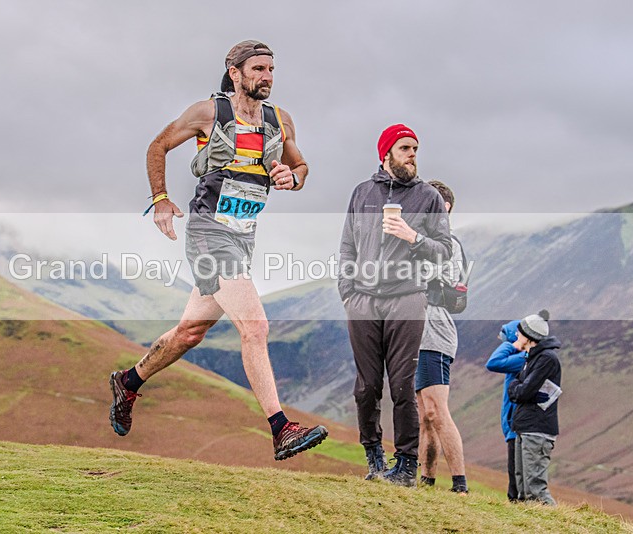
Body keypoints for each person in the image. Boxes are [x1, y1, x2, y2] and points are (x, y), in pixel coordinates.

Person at [108, 40, 328, 461]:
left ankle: (128, 382)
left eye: (271, 69)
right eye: (259, 69)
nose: (267, 76)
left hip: (243, 235)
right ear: (235, 71)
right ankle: (281, 429)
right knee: (255, 327)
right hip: (209, 232)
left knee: (191, 332)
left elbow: (301, 168)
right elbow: (157, 146)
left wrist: (289, 176)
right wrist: (160, 200)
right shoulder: (209, 113)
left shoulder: (280, 121)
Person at [339, 124, 453, 486]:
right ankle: (374, 456)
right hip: (363, 301)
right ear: (385, 153)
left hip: (407, 298)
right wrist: (348, 291)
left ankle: (405, 466)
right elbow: (347, 246)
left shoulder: (428, 199)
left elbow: (445, 251)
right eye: (405, 148)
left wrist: (413, 236)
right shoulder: (362, 193)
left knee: (403, 385)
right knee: (367, 386)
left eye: (415, 148)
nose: (413, 154)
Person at [415, 180, 468, 494]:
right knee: (424, 415)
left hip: (434, 329)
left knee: (436, 410)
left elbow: (436, 278)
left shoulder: (449, 245)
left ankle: (460, 484)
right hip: (413, 330)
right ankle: (427, 482)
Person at [508, 310, 561, 505]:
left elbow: (522, 391)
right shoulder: (532, 358)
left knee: (535, 490)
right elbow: (516, 387)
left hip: (537, 430)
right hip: (525, 427)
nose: (516, 335)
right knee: (523, 491)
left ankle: (559, 525)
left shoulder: (546, 359)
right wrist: (518, 389)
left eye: (520, 332)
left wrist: (518, 390)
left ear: (530, 337)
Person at [485, 319, 526, 501]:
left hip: (515, 424)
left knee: (516, 470)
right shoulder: (519, 359)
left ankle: (517, 503)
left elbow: (493, 362)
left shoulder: (521, 359)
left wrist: (512, 344)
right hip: (513, 424)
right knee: (516, 470)